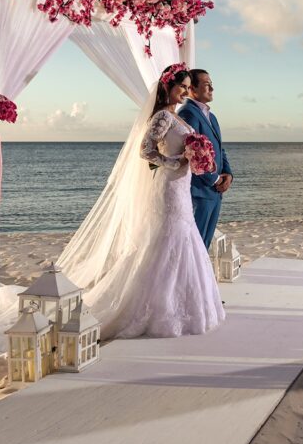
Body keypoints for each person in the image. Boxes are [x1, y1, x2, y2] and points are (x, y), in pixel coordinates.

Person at [82, 63, 225, 339]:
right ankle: (158, 308)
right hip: (169, 187)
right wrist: (173, 162)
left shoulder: (178, 117)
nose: (184, 92)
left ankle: (186, 305)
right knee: (168, 239)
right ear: (167, 87)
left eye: (186, 87)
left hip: (182, 186)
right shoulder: (162, 117)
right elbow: (145, 149)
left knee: (185, 239)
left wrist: (196, 160)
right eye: (180, 86)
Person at [179, 68, 233, 249]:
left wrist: (228, 174)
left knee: (205, 244)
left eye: (212, 85)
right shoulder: (187, 113)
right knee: (196, 244)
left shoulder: (212, 117)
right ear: (192, 88)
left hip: (215, 192)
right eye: (207, 85)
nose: (212, 89)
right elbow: (192, 154)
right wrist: (215, 179)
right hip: (201, 191)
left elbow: (219, 148)